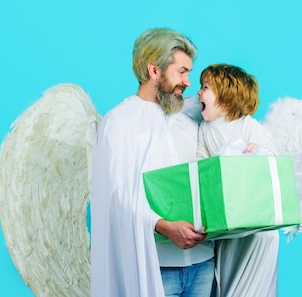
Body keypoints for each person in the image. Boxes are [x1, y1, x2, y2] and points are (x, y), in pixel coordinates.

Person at [91, 27, 215, 297]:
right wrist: (164, 226)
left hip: (203, 262)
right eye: (182, 72)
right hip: (156, 268)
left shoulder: (189, 118)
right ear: (154, 70)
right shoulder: (120, 122)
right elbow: (117, 196)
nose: (188, 81)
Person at [196, 64, 279, 297]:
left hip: (257, 231)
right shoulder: (205, 129)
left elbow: (272, 163)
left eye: (205, 88)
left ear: (226, 97)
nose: (199, 93)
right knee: (226, 287)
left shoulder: (248, 125)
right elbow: (200, 168)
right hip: (228, 231)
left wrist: (257, 152)